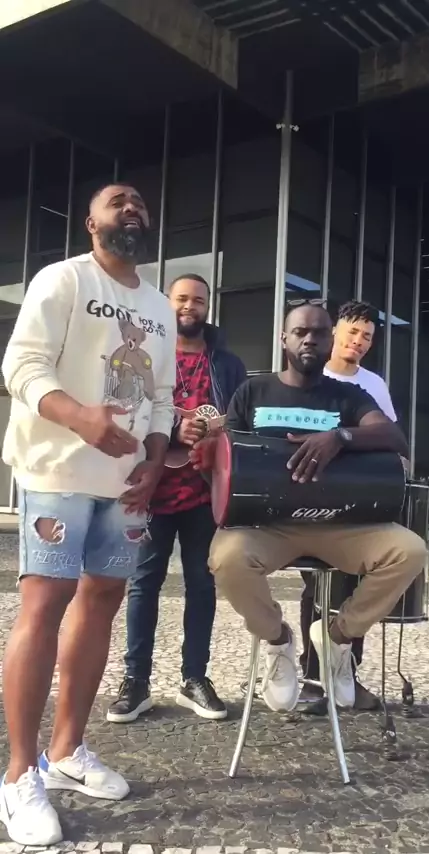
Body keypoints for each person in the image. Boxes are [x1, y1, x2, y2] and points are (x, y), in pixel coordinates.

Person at [0, 183, 176, 846]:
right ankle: (19, 775)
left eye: (140, 203)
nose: (132, 208)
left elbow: (163, 396)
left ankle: (67, 751)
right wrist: (79, 417)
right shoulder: (64, 279)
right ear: (90, 222)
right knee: (46, 601)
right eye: (118, 201)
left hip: (125, 483)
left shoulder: (157, 306)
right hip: (55, 470)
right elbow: (20, 365)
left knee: (102, 600)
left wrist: (155, 460)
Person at [192, 302, 426, 715]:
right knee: (226, 558)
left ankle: (337, 638)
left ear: (329, 341)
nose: (309, 340)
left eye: (319, 333)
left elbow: (395, 438)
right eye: (300, 332)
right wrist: (206, 460)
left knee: (409, 550)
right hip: (268, 525)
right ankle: (278, 641)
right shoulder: (253, 392)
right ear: (284, 338)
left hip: (338, 524)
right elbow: (227, 457)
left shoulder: (349, 395)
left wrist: (340, 437)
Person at [107, 274, 246, 725]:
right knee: (143, 584)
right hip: (152, 488)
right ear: (168, 303)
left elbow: (244, 421)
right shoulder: (147, 354)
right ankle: (136, 681)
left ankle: (195, 678)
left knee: (202, 585)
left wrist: (220, 437)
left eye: (198, 300)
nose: (190, 306)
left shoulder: (227, 364)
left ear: (208, 306)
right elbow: (127, 412)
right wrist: (171, 431)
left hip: (206, 492)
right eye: (182, 299)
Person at [300, 299, 398, 710]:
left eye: (367, 337)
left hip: (357, 499)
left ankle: (346, 677)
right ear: (335, 332)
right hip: (311, 498)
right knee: (317, 586)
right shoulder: (311, 374)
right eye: (353, 332)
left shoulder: (374, 385)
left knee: (355, 585)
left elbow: (390, 439)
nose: (359, 341)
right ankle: (311, 680)